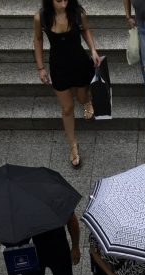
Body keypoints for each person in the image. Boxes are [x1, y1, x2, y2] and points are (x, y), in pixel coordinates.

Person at [33, 0, 101, 168]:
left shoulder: (78, 13)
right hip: (59, 67)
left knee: (81, 95)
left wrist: (93, 50)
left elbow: (86, 30)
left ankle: (86, 101)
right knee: (67, 108)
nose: (64, 3)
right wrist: (41, 67)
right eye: (59, 0)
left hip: (79, 63)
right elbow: (38, 39)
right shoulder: (40, 17)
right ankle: (73, 146)